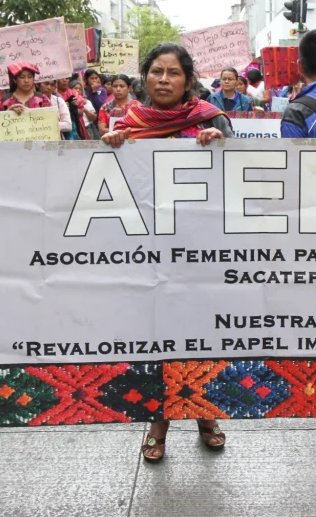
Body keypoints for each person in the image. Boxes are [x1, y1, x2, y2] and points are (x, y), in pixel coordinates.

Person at [100, 43, 230, 462]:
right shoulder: (128, 126)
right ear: (145, 77)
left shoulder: (210, 121)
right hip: (150, 255)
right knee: (157, 340)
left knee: (201, 336)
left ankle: (206, 416)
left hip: (200, 254)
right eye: (156, 71)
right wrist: (111, 148)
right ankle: (158, 424)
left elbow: (239, 179)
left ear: (188, 81)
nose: (163, 80)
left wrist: (220, 144)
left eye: (173, 73)